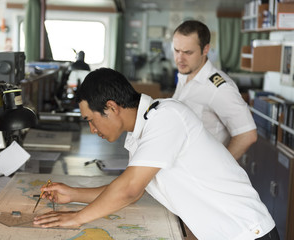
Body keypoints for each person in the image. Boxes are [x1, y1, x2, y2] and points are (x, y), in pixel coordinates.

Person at [33, 68, 279, 240]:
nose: (92, 129)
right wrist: (73, 194)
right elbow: (132, 188)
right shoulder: (141, 131)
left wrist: (76, 219)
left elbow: (129, 190)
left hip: (248, 234)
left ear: (111, 107)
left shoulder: (166, 116)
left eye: (91, 120)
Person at [172, 20, 257, 160]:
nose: (180, 58)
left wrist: (219, 168)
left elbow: (247, 134)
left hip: (203, 173)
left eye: (188, 52)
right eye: (176, 50)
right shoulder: (184, 75)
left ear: (205, 50)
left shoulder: (219, 88)